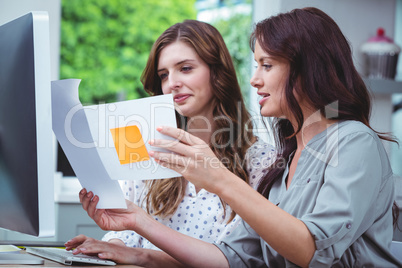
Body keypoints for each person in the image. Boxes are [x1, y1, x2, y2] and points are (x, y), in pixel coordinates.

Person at [67, 7, 402, 267]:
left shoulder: (353, 142)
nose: (254, 80)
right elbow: (231, 258)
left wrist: (220, 180)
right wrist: (137, 223)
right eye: (256, 65)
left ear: (307, 69)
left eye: (266, 65)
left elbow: (313, 251)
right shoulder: (287, 160)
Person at [65, 19, 275, 264]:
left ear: (217, 73)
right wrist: (106, 248)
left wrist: (139, 255)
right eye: (163, 75)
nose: (171, 84)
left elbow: (236, 261)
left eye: (185, 68)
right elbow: (129, 236)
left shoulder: (261, 160)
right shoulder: (148, 147)